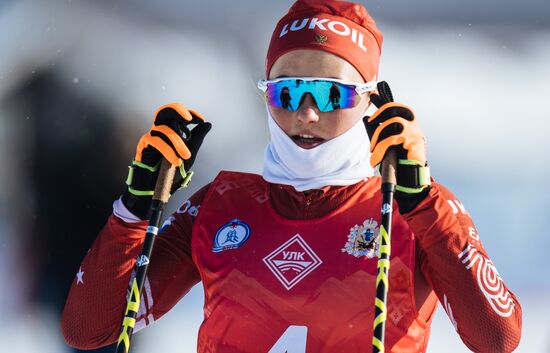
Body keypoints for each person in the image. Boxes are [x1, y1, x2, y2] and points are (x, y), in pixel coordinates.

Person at [61, 1, 522, 352]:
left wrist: (423, 205)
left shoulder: (413, 207)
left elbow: (498, 337)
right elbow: (89, 329)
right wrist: (134, 210)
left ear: (371, 102)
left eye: (330, 95)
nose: (306, 112)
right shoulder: (220, 204)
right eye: (289, 91)